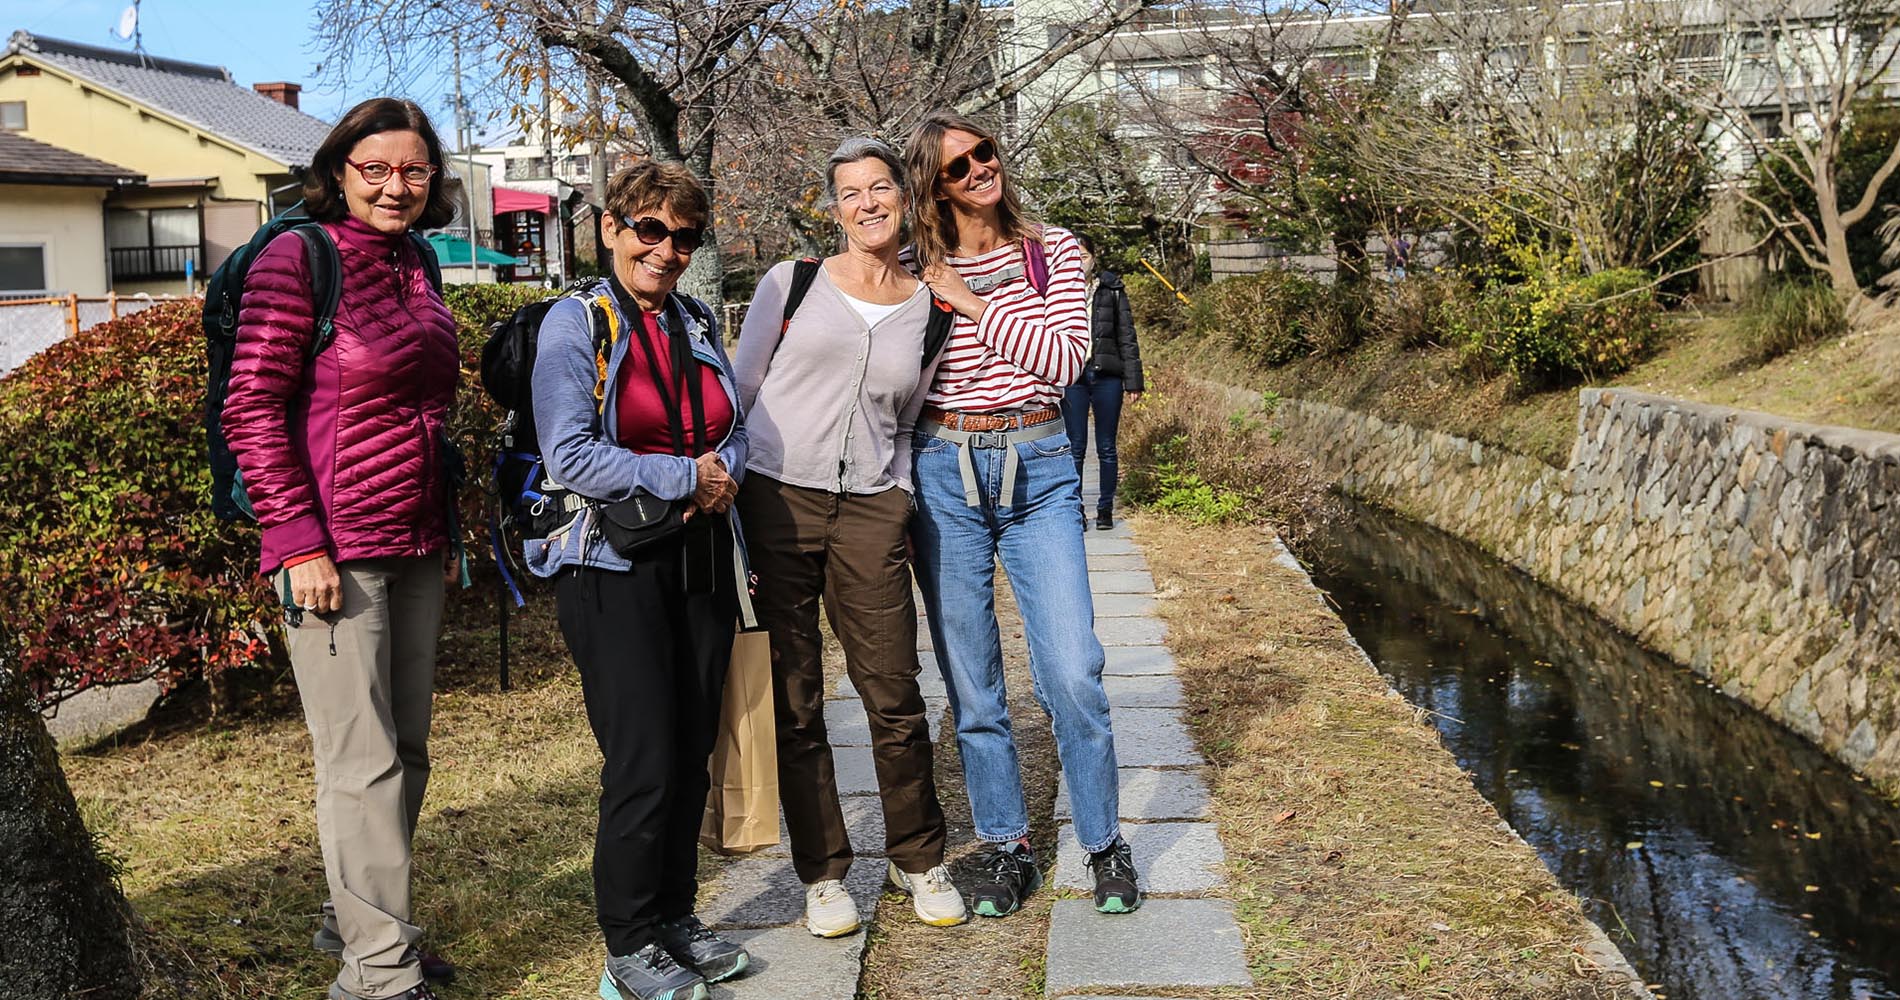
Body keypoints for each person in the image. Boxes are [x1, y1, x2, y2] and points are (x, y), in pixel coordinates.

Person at [223, 97, 462, 1000]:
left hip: (411, 536)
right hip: (331, 549)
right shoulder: (299, 256)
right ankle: (377, 972)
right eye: (376, 170)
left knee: (406, 749)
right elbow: (251, 404)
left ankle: (359, 920)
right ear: (339, 171)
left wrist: (440, 527)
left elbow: (424, 409)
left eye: (413, 171)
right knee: (360, 762)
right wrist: (293, 540)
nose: (396, 187)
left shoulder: (418, 259)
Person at [902, 109, 1141, 919]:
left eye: (984, 152)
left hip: (1037, 465)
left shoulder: (1053, 249)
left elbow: (1066, 359)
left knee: (1073, 671)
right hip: (943, 472)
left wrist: (968, 302)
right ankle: (1007, 844)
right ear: (933, 186)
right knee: (972, 685)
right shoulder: (912, 264)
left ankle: (1105, 841)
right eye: (957, 166)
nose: (978, 170)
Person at [526, 161, 750, 1000]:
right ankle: (627, 939)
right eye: (650, 230)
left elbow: (738, 426)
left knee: (693, 749)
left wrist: (721, 470)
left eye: (684, 237)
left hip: (699, 556)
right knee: (643, 757)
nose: (666, 250)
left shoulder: (693, 319)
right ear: (612, 226)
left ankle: (677, 916)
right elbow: (570, 454)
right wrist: (684, 478)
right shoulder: (575, 324)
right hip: (610, 562)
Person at [733, 137, 967, 939]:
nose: (867, 203)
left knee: (893, 691)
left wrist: (896, 491)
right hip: (777, 501)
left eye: (880, 188)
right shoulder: (791, 282)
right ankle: (824, 873)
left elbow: (908, 417)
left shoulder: (928, 306)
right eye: (850, 193)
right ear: (833, 209)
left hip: (870, 508)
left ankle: (918, 858)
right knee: (797, 698)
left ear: (905, 198)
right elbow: (742, 389)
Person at [1059, 232, 1144, 531]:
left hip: (1107, 374)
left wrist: (1134, 381)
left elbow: (1127, 337)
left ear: (1094, 257)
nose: (1078, 263)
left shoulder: (1112, 289)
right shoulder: (1059, 290)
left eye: (1082, 257)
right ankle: (1076, 508)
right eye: (1073, 257)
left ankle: (1105, 508)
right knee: (1075, 445)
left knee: (1107, 446)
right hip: (1073, 376)